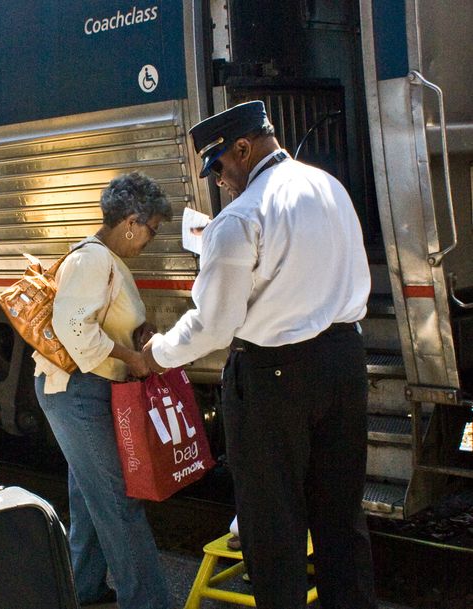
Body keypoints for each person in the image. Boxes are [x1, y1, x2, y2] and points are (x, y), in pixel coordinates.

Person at [142, 101, 377, 609]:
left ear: (243, 148)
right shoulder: (329, 188)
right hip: (343, 361)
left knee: (275, 527)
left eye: (221, 166)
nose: (221, 181)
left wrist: (157, 353)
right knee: (341, 519)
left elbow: (213, 325)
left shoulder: (240, 218)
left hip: (274, 378)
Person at [34, 172, 172, 609]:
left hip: (84, 390)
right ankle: (148, 602)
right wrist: (134, 359)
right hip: (77, 391)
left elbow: (100, 321)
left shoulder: (105, 260)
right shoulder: (94, 259)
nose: (151, 239)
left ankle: (85, 589)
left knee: (92, 495)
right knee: (118, 500)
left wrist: (138, 333)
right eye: (151, 229)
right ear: (131, 221)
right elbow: (74, 329)